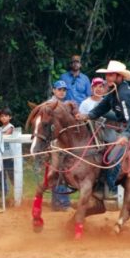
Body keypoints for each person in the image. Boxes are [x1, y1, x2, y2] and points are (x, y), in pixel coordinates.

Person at [76, 60, 130, 190]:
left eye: (111, 75)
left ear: (120, 77)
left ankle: (110, 186)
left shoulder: (124, 95)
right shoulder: (114, 91)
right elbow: (103, 107)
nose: (107, 78)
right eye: (107, 75)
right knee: (97, 108)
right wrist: (88, 115)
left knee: (113, 156)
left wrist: (126, 135)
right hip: (122, 118)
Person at [48, 80, 71, 211]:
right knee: (60, 171)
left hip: (64, 142)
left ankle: (57, 203)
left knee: (60, 171)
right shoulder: (50, 105)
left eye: (64, 90)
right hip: (56, 143)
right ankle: (62, 203)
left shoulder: (64, 105)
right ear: (54, 90)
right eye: (59, 89)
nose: (62, 92)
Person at [0, 107, 15, 196]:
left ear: (10, 117)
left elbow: (7, 134)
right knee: (0, 174)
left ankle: (17, 191)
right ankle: (3, 192)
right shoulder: (0, 128)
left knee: (11, 175)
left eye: (6, 116)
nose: (3, 118)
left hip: (9, 156)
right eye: (2, 116)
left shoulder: (10, 127)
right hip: (1, 156)